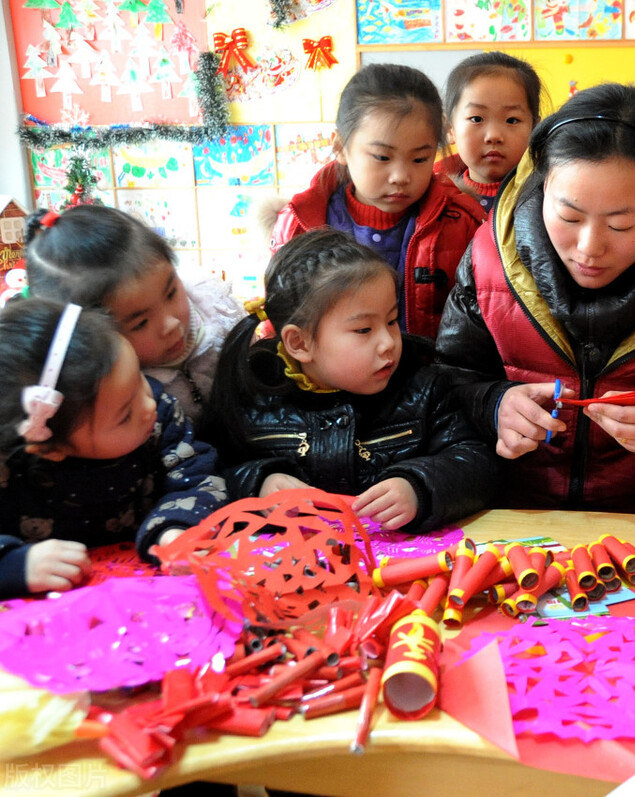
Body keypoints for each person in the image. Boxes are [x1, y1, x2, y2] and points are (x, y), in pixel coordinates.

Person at [435, 83, 635, 514]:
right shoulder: (490, 257)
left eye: (621, 225)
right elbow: (446, 385)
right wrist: (493, 404)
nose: (589, 247)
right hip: (509, 521)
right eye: (569, 216)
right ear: (542, 185)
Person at [206, 229, 497, 533]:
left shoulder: (422, 388)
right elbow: (207, 473)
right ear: (300, 343)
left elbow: (477, 464)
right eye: (363, 330)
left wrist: (419, 486)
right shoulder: (253, 396)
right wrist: (257, 485)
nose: (388, 342)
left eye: (391, 321)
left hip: (400, 565)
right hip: (291, 568)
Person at [0, 298, 228, 598]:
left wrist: (174, 530)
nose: (149, 404)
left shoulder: (160, 415)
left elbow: (198, 476)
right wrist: (15, 565)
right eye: (125, 414)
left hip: (153, 592)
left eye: (139, 378)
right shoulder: (9, 470)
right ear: (48, 449)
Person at [268, 64, 485, 338]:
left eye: (420, 159)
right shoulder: (299, 223)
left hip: (432, 374)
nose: (401, 176)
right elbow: (278, 315)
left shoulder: (461, 220)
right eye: (382, 157)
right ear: (340, 147)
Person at [23, 205, 241, 423]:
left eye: (171, 292)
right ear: (88, 340)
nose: (172, 324)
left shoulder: (216, 309)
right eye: (140, 323)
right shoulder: (116, 394)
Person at [436, 51, 543, 214]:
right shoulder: (433, 198)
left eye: (512, 120)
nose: (493, 135)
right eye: (476, 119)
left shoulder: (548, 199)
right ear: (449, 129)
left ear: (535, 130)